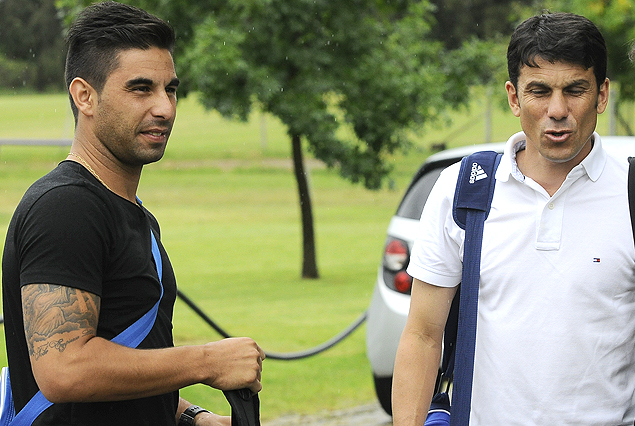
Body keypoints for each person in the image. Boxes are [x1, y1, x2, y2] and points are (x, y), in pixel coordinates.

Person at [1, 2, 265, 425]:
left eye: (171, 89)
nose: (165, 108)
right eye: (141, 89)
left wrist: (192, 416)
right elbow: (64, 370)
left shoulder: (127, 211)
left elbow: (124, 365)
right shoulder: (66, 207)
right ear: (84, 96)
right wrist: (206, 362)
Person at [392, 12, 635, 425]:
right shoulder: (463, 189)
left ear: (602, 94)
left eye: (575, 90)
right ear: (513, 97)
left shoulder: (630, 194)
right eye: (539, 91)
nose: (557, 110)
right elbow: (422, 335)